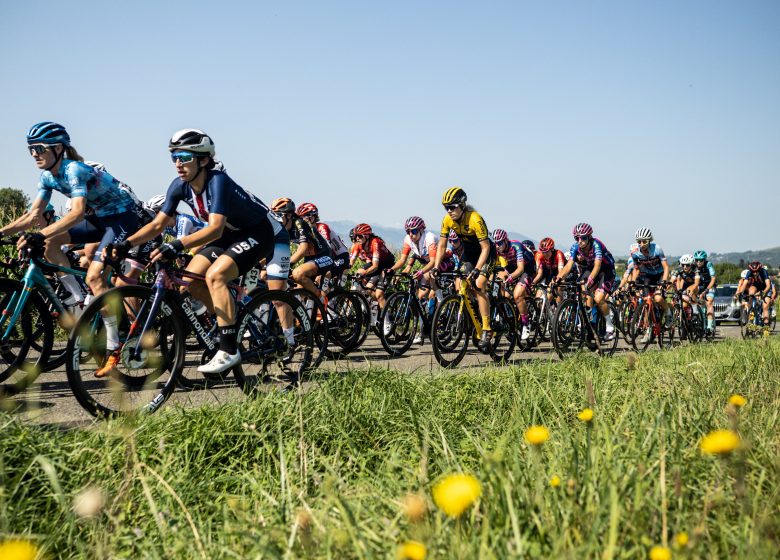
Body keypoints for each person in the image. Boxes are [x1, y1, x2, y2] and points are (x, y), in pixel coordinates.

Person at [111, 129, 284, 374]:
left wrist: (176, 245)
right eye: (174, 157)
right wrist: (125, 244)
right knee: (189, 280)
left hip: (256, 233)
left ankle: (228, 350)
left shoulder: (218, 182)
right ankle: (230, 324)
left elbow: (214, 229)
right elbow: (157, 224)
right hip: (229, 235)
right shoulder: (179, 186)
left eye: (184, 157)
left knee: (216, 276)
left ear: (203, 159)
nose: (178, 164)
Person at [0, 122, 139, 314]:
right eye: (30, 149)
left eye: (39, 148)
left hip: (123, 218)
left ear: (58, 148)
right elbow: (33, 215)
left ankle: (113, 339)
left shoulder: (74, 170)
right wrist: (2, 232)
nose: (34, 154)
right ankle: (78, 297)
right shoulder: (47, 177)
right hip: (100, 220)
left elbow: (77, 213)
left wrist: (40, 233)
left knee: (94, 277)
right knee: (49, 242)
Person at [433, 187, 495, 350]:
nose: (449, 211)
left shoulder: (475, 219)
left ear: (462, 204)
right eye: (446, 207)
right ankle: (475, 314)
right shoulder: (447, 220)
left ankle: (487, 328)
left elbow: (486, 247)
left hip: (485, 253)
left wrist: (478, 269)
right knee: (459, 285)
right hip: (468, 253)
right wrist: (436, 266)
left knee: (479, 284)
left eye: (452, 207)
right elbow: (441, 245)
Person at [555, 223, 616, 340]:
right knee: (584, 292)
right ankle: (591, 320)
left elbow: (598, 266)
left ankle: (609, 325)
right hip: (590, 268)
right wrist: (559, 278)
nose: (580, 241)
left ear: (589, 237)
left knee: (598, 298)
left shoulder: (596, 245)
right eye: (577, 238)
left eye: (583, 238)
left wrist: (591, 280)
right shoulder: (575, 247)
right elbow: (568, 266)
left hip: (606, 270)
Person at [271, 198, 333, 302]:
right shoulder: (283, 229)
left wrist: (287, 263)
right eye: (274, 216)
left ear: (289, 215)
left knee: (298, 274)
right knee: (298, 292)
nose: (277, 220)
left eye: (279, 216)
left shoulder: (299, 223)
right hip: (309, 259)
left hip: (324, 256)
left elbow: (303, 248)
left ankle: (321, 299)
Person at [493, 229, 536, 340]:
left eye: (500, 243)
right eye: (495, 243)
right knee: (497, 280)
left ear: (506, 241)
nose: (497, 246)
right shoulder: (496, 249)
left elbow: (521, 268)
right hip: (512, 265)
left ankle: (526, 324)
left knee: (517, 294)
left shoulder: (516, 246)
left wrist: (511, 277)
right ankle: (506, 314)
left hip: (527, 267)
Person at [629, 228, 671, 334]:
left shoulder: (657, 249)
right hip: (649, 275)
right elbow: (636, 268)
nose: (642, 244)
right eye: (639, 241)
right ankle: (649, 329)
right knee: (646, 301)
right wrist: (632, 282)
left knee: (657, 298)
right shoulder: (635, 253)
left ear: (649, 240)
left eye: (644, 241)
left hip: (661, 274)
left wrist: (664, 281)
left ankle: (668, 313)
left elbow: (666, 267)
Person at [295, 202, 351, 282]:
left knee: (321, 278)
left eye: (305, 217)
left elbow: (327, 248)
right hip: (319, 257)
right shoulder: (304, 231)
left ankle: (323, 293)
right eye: (300, 218)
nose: (302, 221)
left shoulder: (322, 227)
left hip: (339, 257)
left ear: (313, 217)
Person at [349, 223, 395, 314]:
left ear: (366, 236)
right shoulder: (358, 244)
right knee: (366, 287)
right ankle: (371, 307)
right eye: (355, 236)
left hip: (386, 265)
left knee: (379, 294)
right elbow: (350, 262)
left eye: (359, 236)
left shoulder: (375, 242)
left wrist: (364, 273)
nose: (357, 238)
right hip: (374, 264)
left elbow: (375, 266)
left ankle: (387, 319)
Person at [735, 261, 772, 326]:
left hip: (766, 288)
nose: (755, 273)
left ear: (759, 269)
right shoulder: (749, 272)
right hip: (756, 286)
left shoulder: (764, 272)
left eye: (756, 271)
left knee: (765, 306)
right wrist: (741, 293)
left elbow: (768, 285)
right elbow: (744, 284)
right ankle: (751, 309)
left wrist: (763, 293)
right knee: (751, 293)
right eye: (753, 272)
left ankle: (766, 325)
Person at [692, 250, 717, 333]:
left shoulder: (708, 265)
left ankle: (709, 326)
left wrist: (706, 290)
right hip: (700, 286)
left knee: (709, 302)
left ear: (704, 260)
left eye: (701, 260)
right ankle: (702, 321)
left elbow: (713, 279)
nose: (698, 262)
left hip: (709, 286)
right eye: (697, 260)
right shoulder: (693, 266)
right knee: (699, 303)